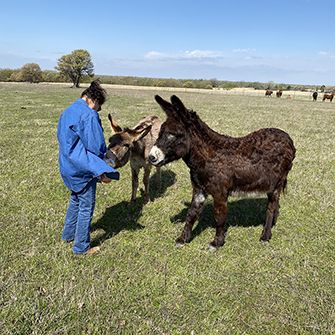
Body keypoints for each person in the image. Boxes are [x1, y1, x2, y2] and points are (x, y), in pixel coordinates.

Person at [57, 80, 119, 255]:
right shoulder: (88, 115)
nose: (98, 111)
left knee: (75, 200)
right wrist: (102, 171)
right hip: (82, 169)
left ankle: (68, 235)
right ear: (94, 100)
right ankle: (81, 248)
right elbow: (96, 147)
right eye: (98, 107)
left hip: (67, 166)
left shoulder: (68, 110)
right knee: (86, 207)